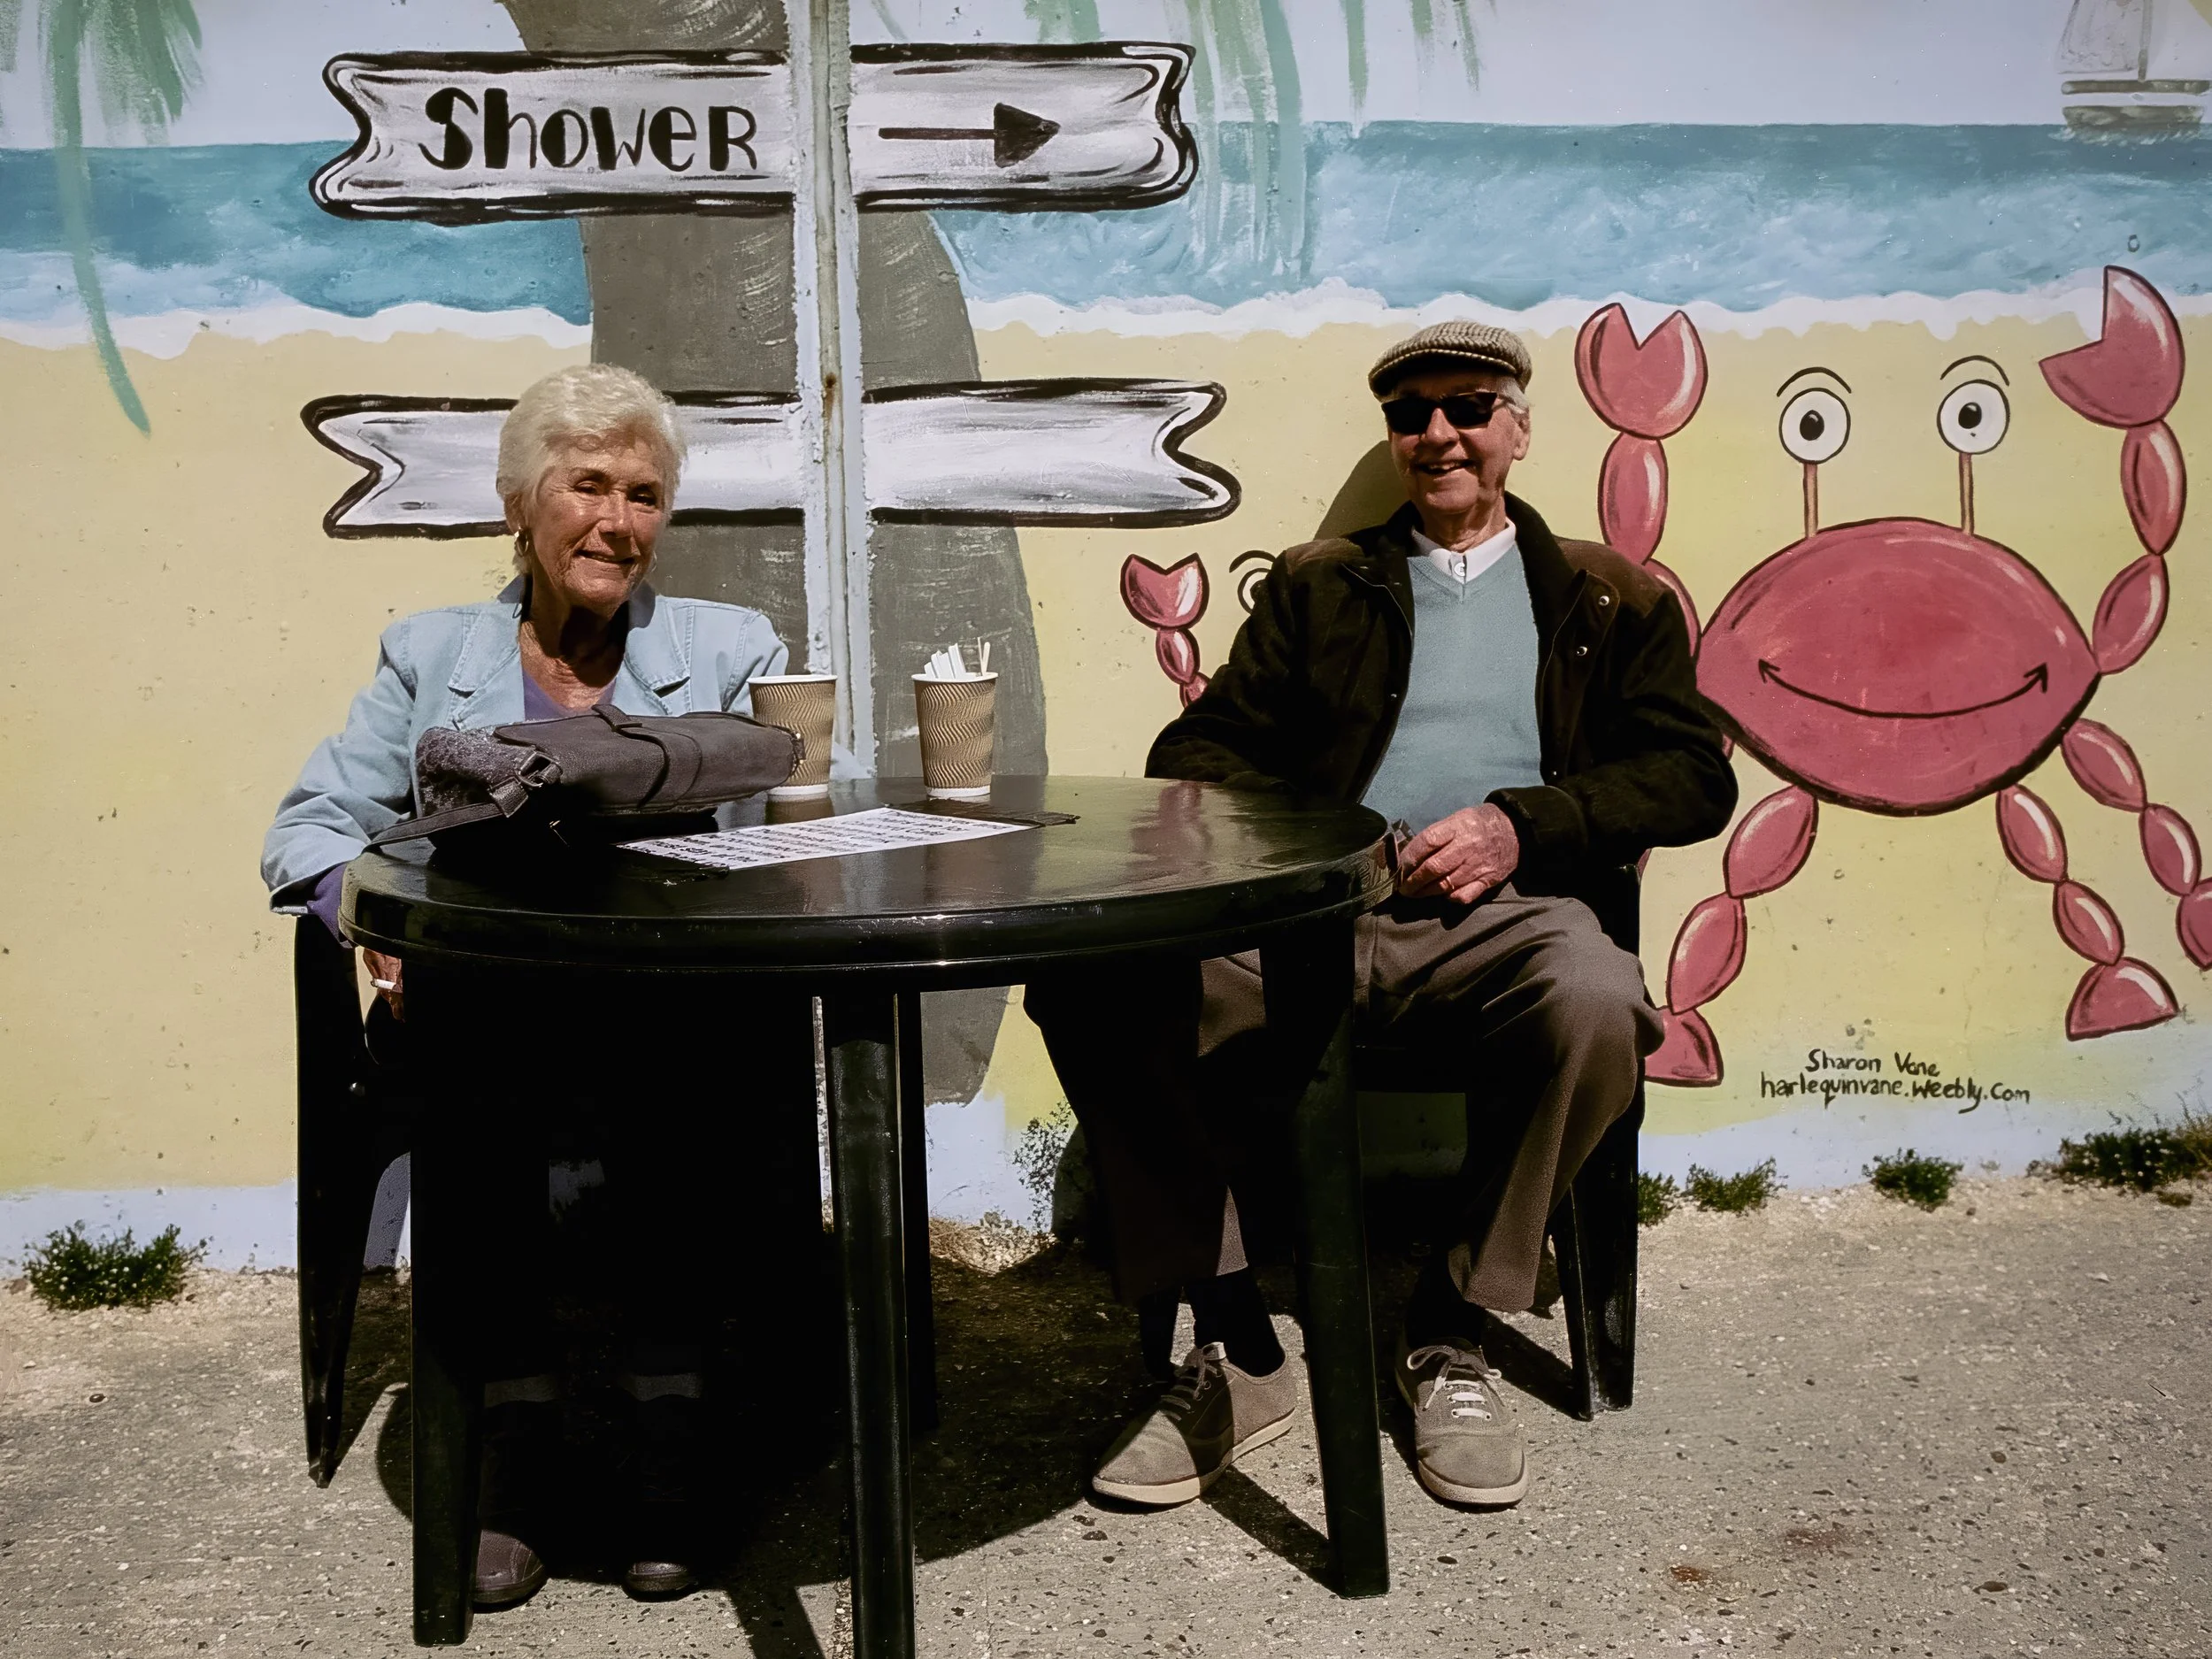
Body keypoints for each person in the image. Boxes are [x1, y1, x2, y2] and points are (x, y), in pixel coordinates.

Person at [1025, 321, 1737, 1510]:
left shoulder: (1606, 598)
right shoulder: (1323, 584)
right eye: (1412, 415)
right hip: (1313, 917)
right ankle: (1240, 1340)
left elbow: (1691, 774)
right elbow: (1195, 752)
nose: (1439, 433)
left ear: (1517, 425)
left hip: (1507, 923)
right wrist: (1333, 838)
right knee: (1094, 982)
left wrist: (1525, 823)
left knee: (1602, 999)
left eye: (1467, 406)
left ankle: (1451, 1324)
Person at [263, 364, 795, 1606]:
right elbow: (308, 829)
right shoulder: (428, 655)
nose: (617, 521)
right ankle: (516, 1433)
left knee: (683, 1087)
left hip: (672, 1013)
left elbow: (796, 829)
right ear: (521, 501)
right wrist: (372, 919)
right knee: (486, 1078)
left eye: (646, 495)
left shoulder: (731, 650)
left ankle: (668, 1430)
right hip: (480, 1017)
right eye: (589, 485)